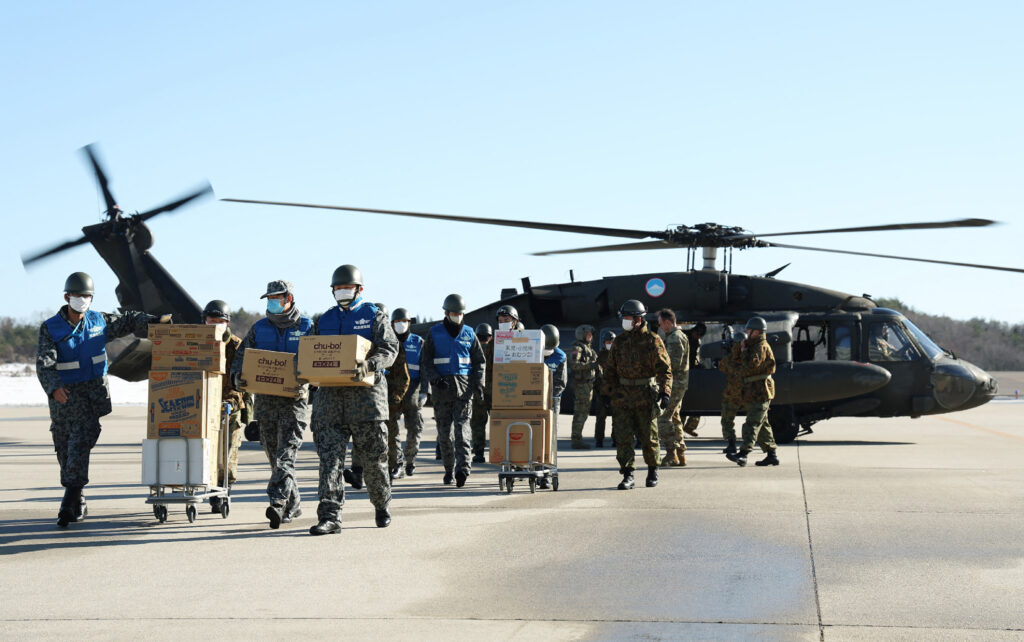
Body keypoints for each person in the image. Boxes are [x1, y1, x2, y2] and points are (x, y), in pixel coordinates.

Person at [36, 271, 169, 528]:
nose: (83, 300)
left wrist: (152, 320)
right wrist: (53, 388)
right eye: (78, 296)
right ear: (67, 297)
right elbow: (45, 362)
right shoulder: (51, 328)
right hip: (65, 397)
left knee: (79, 446)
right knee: (64, 448)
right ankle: (78, 496)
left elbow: (129, 320)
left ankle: (68, 503)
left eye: (87, 296)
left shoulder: (99, 321)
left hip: (92, 395)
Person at [308, 265, 398, 535]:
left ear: (360, 289)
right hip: (330, 403)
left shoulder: (373, 316)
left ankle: (381, 504)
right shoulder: (324, 320)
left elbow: (390, 348)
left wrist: (371, 364)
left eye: (347, 288)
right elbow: (309, 351)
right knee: (329, 462)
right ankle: (330, 516)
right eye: (337, 289)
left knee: (374, 459)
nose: (342, 292)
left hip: (367, 402)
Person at [232, 280, 314, 529]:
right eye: (269, 299)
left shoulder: (309, 327)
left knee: (285, 457)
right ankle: (294, 504)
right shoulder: (259, 328)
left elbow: (319, 361)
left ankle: (277, 503)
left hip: (294, 402)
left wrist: (310, 381)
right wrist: (238, 377)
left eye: (276, 298)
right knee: (273, 457)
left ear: (289, 298)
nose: (272, 302)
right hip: (265, 403)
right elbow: (241, 357)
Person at [601, 300, 672, 490]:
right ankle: (628, 474)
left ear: (638, 319)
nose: (624, 321)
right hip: (622, 397)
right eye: (623, 317)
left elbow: (664, 370)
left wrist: (665, 392)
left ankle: (652, 470)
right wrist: (607, 393)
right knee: (623, 437)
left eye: (628, 318)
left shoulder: (652, 340)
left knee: (649, 437)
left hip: (645, 395)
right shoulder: (619, 341)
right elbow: (610, 370)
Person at [420, 294, 486, 488]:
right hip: (441, 390)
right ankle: (449, 468)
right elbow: (426, 360)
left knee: (462, 430)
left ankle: (463, 469)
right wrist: (434, 379)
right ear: (446, 313)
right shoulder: (434, 333)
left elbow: (479, 361)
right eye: (454, 313)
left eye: (460, 313)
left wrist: (479, 384)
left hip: (464, 390)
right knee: (444, 434)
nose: (457, 316)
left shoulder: (469, 333)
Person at [201, 300, 245, 513]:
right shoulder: (198, 343)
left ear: (227, 323)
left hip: (230, 407)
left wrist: (231, 401)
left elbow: (242, 382)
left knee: (226, 456)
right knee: (205, 454)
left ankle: (223, 490)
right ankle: (211, 490)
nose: (216, 325)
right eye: (212, 321)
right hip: (203, 406)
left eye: (220, 321)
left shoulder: (237, 346)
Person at [726, 317, 780, 467]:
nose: (746, 333)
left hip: (760, 391)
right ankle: (772, 455)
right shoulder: (754, 345)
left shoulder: (760, 347)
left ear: (756, 332)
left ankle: (743, 454)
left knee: (752, 423)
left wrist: (743, 351)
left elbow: (750, 366)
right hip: (755, 390)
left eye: (749, 330)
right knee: (763, 425)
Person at [392, 308, 428, 476]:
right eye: (397, 322)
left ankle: (410, 460)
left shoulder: (418, 342)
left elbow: (425, 368)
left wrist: (425, 391)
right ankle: (396, 463)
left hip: (413, 389)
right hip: (393, 389)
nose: (400, 325)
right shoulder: (389, 341)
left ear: (409, 323)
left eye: (403, 321)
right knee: (392, 429)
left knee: (414, 428)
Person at [656, 309, 690, 466]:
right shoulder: (678, 336)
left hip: (674, 384)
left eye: (661, 323)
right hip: (679, 383)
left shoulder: (675, 338)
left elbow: (672, 365)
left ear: (668, 323)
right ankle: (680, 454)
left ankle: (671, 454)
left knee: (663, 418)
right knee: (675, 418)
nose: (660, 326)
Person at [567, 324, 599, 449]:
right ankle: (576, 440)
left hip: (588, 384)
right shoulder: (578, 348)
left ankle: (577, 438)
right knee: (580, 412)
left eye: (591, 335)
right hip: (581, 385)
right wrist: (591, 365)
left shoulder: (589, 349)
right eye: (588, 335)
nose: (590, 337)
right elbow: (574, 365)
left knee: (584, 413)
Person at [718, 330, 747, 456]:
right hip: (748, 393)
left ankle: (731, 443)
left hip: (732, 393)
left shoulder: (730, 358)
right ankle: (757, 445)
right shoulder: (750, 355)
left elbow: (721, 367)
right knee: (754, 420)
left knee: (727, 420)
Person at [470, 323, 493, 463]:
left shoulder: (473, 349)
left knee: (478, 424)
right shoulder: (496, 348)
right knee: (497, 423)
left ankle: (479, 453)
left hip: (478, 392)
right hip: (494, 392)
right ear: (490, 337)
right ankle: (500, 451)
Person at [680, 322, 707, 437]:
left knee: (697, 401)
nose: (698, 338)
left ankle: (689, 427)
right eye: (698, 335)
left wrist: (698, 366)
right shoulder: (683, 336)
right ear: (695, 332)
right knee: (683, 402)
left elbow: (694, 357)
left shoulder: (696, 340)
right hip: (683, 373)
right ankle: (679, 428)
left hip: (692, 372)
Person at [594, 329, 615, 448]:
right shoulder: (599, 356)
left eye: (611, 342)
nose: (609, 344)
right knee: (600, 418)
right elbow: (597, 374)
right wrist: (600, 393)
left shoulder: (618, 355)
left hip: (615, 392)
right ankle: (599, 440)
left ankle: (616, 439)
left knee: (616, 418)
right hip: (602, 393)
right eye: (607, 342)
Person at [541, 325, 567, 415]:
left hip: (552, 398)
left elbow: (561, 382)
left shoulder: (560, 356)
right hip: (536, 395)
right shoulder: (533, 351)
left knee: (552, 426)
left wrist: (550, 396)